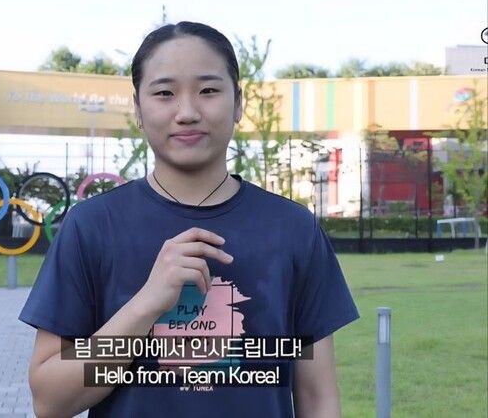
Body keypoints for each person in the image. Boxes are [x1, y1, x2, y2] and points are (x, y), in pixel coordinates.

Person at [19, 21, 359, 418]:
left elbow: (318, 397)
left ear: (238, 103)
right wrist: (146, 304)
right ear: (138, 109)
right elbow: (50, 401)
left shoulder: (293, 229)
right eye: (164, 93)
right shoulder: (91, 226)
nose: (187, 112)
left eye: (208, 90)